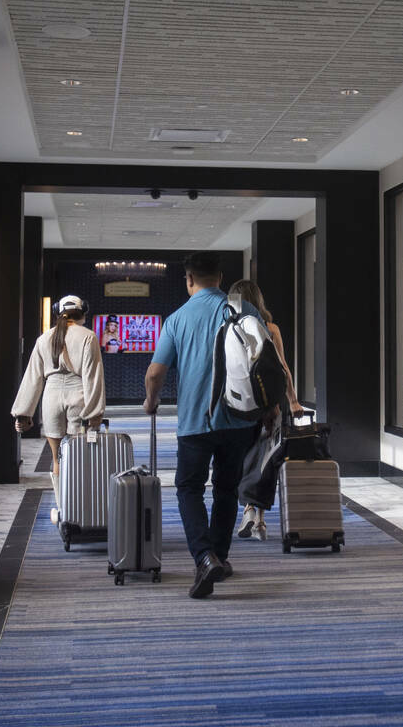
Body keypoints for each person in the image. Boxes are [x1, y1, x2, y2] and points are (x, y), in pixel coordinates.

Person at [143, 253, 260, 598]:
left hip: (195, 421)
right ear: (220, 277)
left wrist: (151, 401)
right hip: (239, 418)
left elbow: (155, 372)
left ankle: (204, 557)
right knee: (227, 489)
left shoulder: (178, 319)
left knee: (189, 488)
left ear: (189, 279)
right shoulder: (244, 311)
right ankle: (219, 557)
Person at [228, 278, 304, 542]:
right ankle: (257, 517)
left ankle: (250, 511)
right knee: (265, 460)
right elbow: (282, 368)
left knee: (245, 457)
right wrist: (292, 401)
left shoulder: (228, 327)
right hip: (269, 404)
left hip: (238, 405)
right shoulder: (270, 328)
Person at [11, 295, 105, 506]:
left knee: (57, 459)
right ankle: (78, 507)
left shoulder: (45, 338)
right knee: (77, 457)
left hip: (51, 396)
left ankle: (62, 507)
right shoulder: (88, 337)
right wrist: (95, 412)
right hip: (79, 395)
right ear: (83, 312)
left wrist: (23, 413)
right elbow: (92, 376)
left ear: (56, 311)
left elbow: (33, 376)